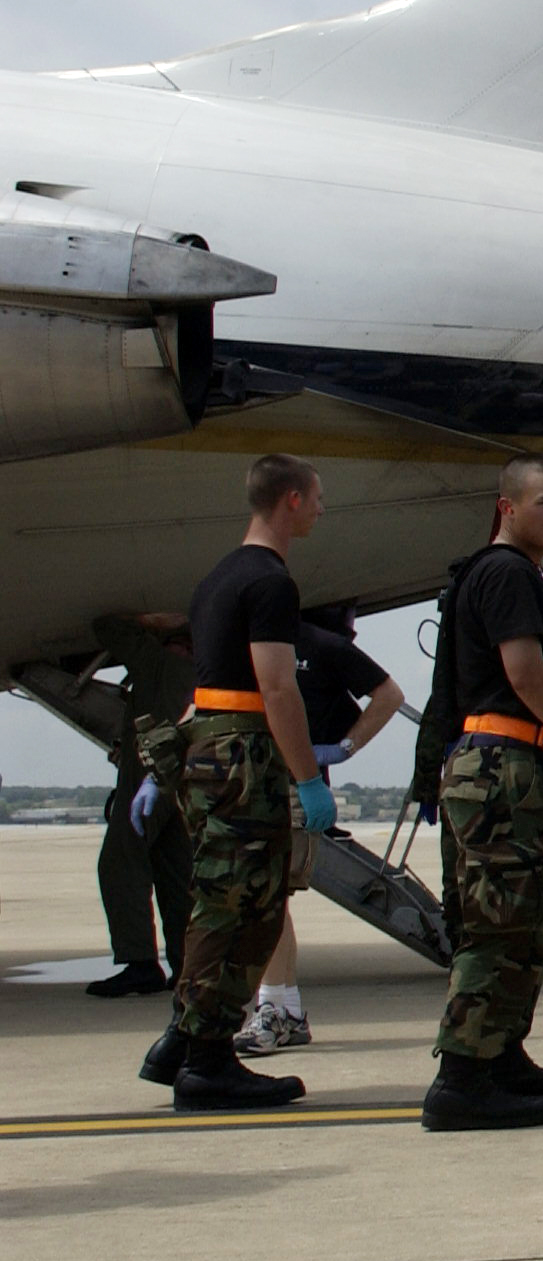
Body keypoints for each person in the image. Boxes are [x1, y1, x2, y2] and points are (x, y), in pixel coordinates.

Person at [133, 454, 334, 1110]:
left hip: (208, 748)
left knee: (216, 900)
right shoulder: (271, 583)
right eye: (317, 496)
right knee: (248, 907)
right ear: (292, 502)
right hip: (245, 757)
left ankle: (184, 1038)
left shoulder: (218, 577)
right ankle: (208, 1059)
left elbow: (207, 680)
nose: (322, 508)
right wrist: (308, 779)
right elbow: (276, 687)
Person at [422, 453, 543, 1132]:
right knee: (499, 927)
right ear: (508, 506)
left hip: (495, 763)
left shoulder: (498, 573)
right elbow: (524, 672)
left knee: (514, 922)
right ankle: (463, 1077)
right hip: (503, 761)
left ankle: (499, 1055)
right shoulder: (507, 574)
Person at [233, 609, 404, 1056]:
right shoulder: (246, 645)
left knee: (269, 895)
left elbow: (388, 695)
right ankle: (281, 1006)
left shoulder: (321, 647)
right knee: (261, 898)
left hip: (294, 783)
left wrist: (345, 747)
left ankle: (277, 1007)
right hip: (248, 780)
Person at [86, 613, 196, 999]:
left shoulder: (158, 662)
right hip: (184, 777)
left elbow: (108, 627)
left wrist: (149, 624)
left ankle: (139, 962)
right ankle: (187, 965)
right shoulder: (201, 674)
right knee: (176, 872)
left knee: (120, 862)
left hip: (149, 770)